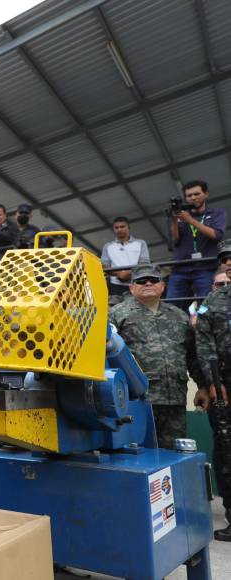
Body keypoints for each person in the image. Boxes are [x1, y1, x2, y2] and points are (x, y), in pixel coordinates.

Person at [109, 265, 204, 448]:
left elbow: (192, 355)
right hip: (137, 400)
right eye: (141, 281)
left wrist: (202, 386)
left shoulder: (178, 315)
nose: (148, 284)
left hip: (174, 399)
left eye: (153, 280)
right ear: (131, 287)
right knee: (139, 453)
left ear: (162, 286)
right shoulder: (117, 314)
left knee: (173, 453)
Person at [193, 260, 231, 541]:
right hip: (224, 389)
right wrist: (211, 384)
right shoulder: (211, 304)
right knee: (226, 452)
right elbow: (203, 346)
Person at [168, 180, 227, 306]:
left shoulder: (217, 213)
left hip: (206, 268)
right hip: (180, 268)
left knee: (206, 305)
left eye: (196, 194)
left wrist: (190, 220)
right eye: (189, 195)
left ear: (206, 194)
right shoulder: (180, 215)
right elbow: (175, 240)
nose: (193, 198)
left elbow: (216, 235)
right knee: (173, 306)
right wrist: (173, 220)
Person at [101, 216, 151, 296]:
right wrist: (119, 273)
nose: (119, 229)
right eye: (116, 228)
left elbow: (145, 263)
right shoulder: (107, 246)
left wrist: (130, 273)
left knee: (138, 307)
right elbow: (104, 266)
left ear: (128, 227)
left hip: (137, 283)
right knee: (116, 307)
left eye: (122, 227)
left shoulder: (141, 243)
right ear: (113, 229)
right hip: (115, 285)